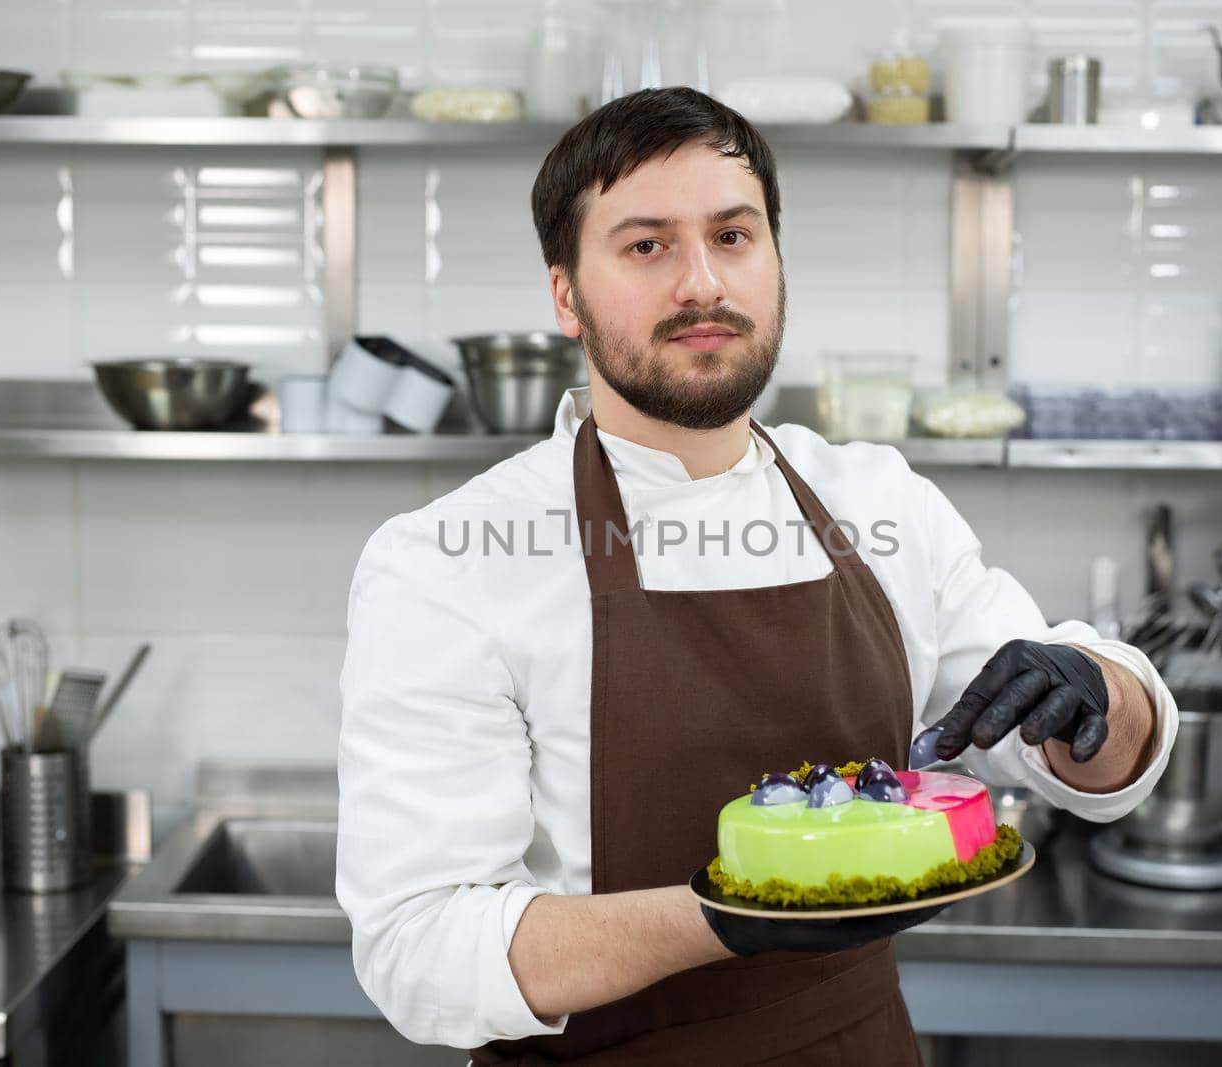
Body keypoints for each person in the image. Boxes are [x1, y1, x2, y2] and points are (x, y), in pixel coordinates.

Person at [337, 87, 1177, 1064]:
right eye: (646, 245)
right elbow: (421, 949)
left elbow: (1085, 767)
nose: (702, 283)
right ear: (563, 292)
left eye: (733, 236)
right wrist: (720, 915)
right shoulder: (447, 559)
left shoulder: (879, 503)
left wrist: (1103, 693)